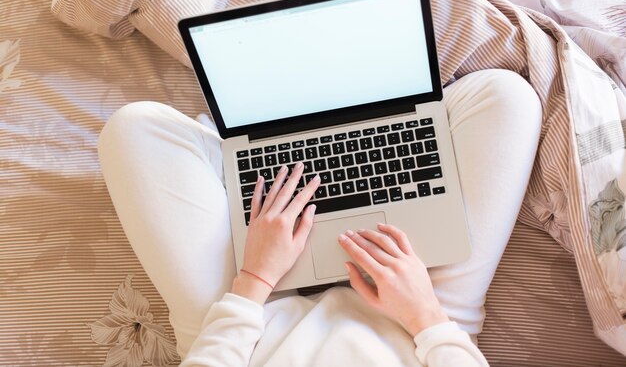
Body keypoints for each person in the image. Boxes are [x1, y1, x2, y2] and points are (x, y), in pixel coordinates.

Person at [98, 69, 542, 366]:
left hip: (247, 333)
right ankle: (284, 157)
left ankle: (251, 162)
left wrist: (254, 276)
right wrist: (425, 314)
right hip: (418, 327)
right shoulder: (425, 316)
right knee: (507, 96)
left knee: (133, 128)